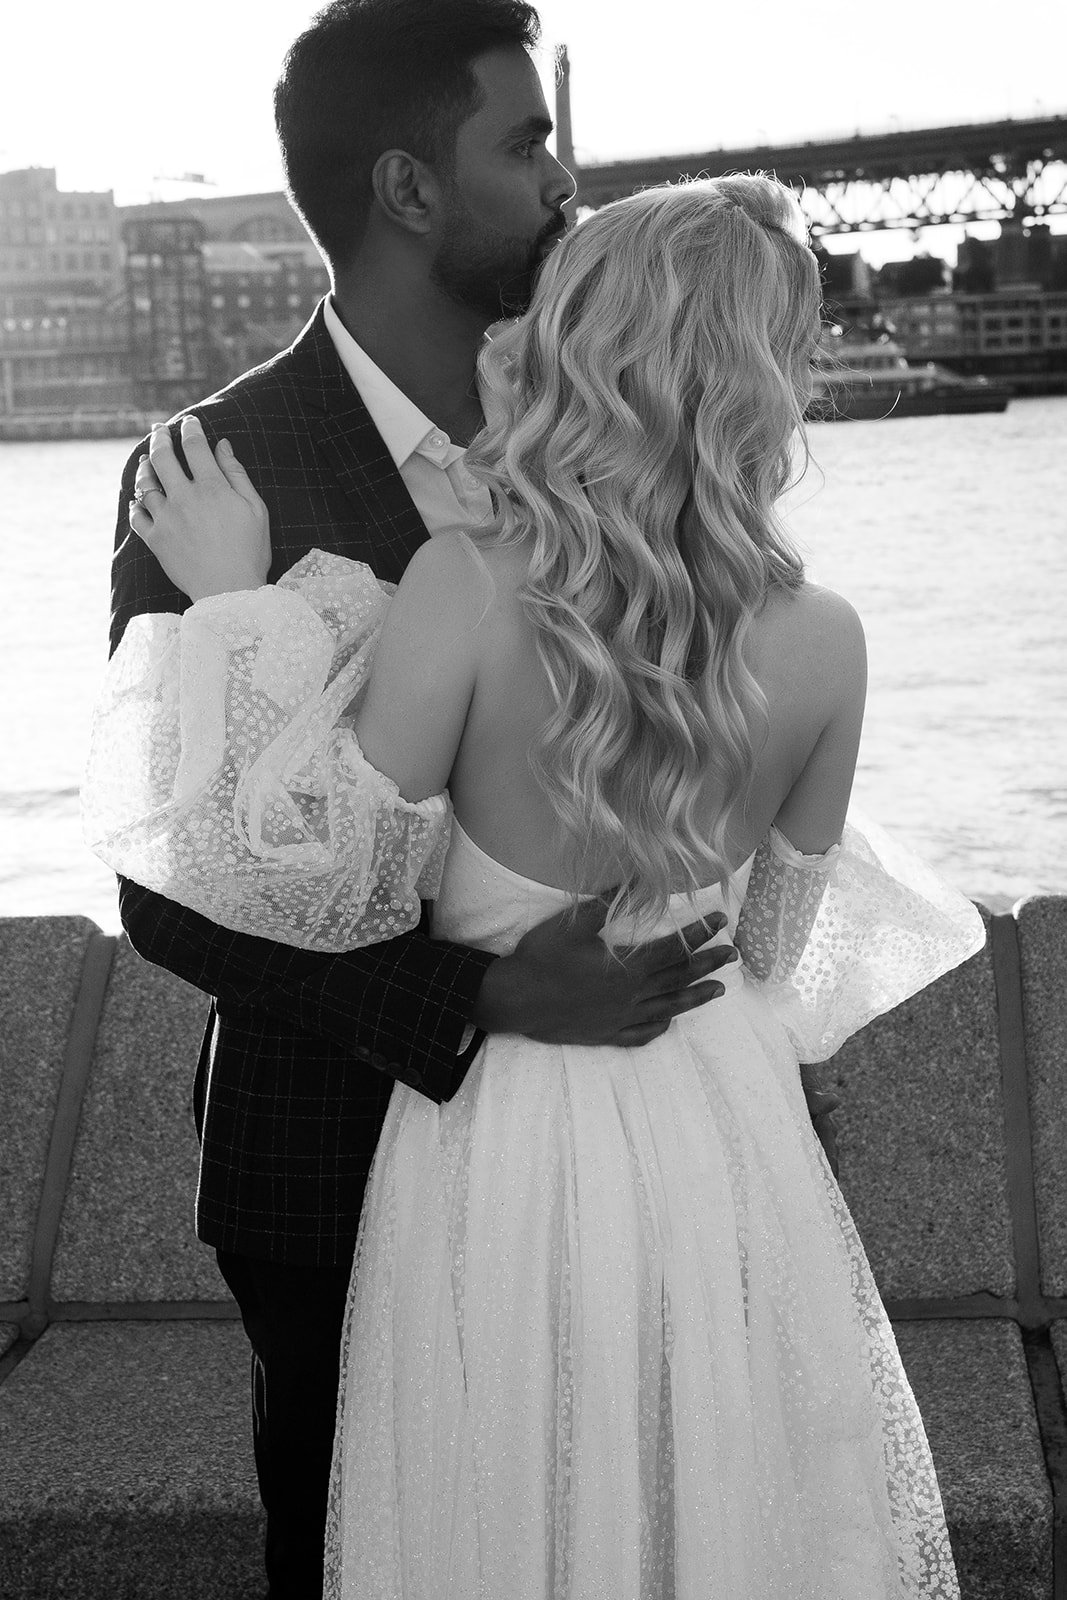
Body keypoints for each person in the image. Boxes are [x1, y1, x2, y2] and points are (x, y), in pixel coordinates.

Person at [87, 173, 986, 1596]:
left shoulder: (466, 587)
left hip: (498, 1139)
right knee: (719, 1505)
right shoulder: (829, 639)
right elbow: (774, 952)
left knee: (501, 1510)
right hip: (725, 1132)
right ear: (765, 386)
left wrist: (240, 607)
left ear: (584, 349)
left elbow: (332, 882)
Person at [103, 4, 752, 1595]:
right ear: (408, 187)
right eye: (525, 144)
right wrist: (486, 997)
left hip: (629, 1148)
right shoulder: (215, 470)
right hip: (326, 1158)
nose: (565, 181)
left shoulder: (609, 424)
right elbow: (170, 887)